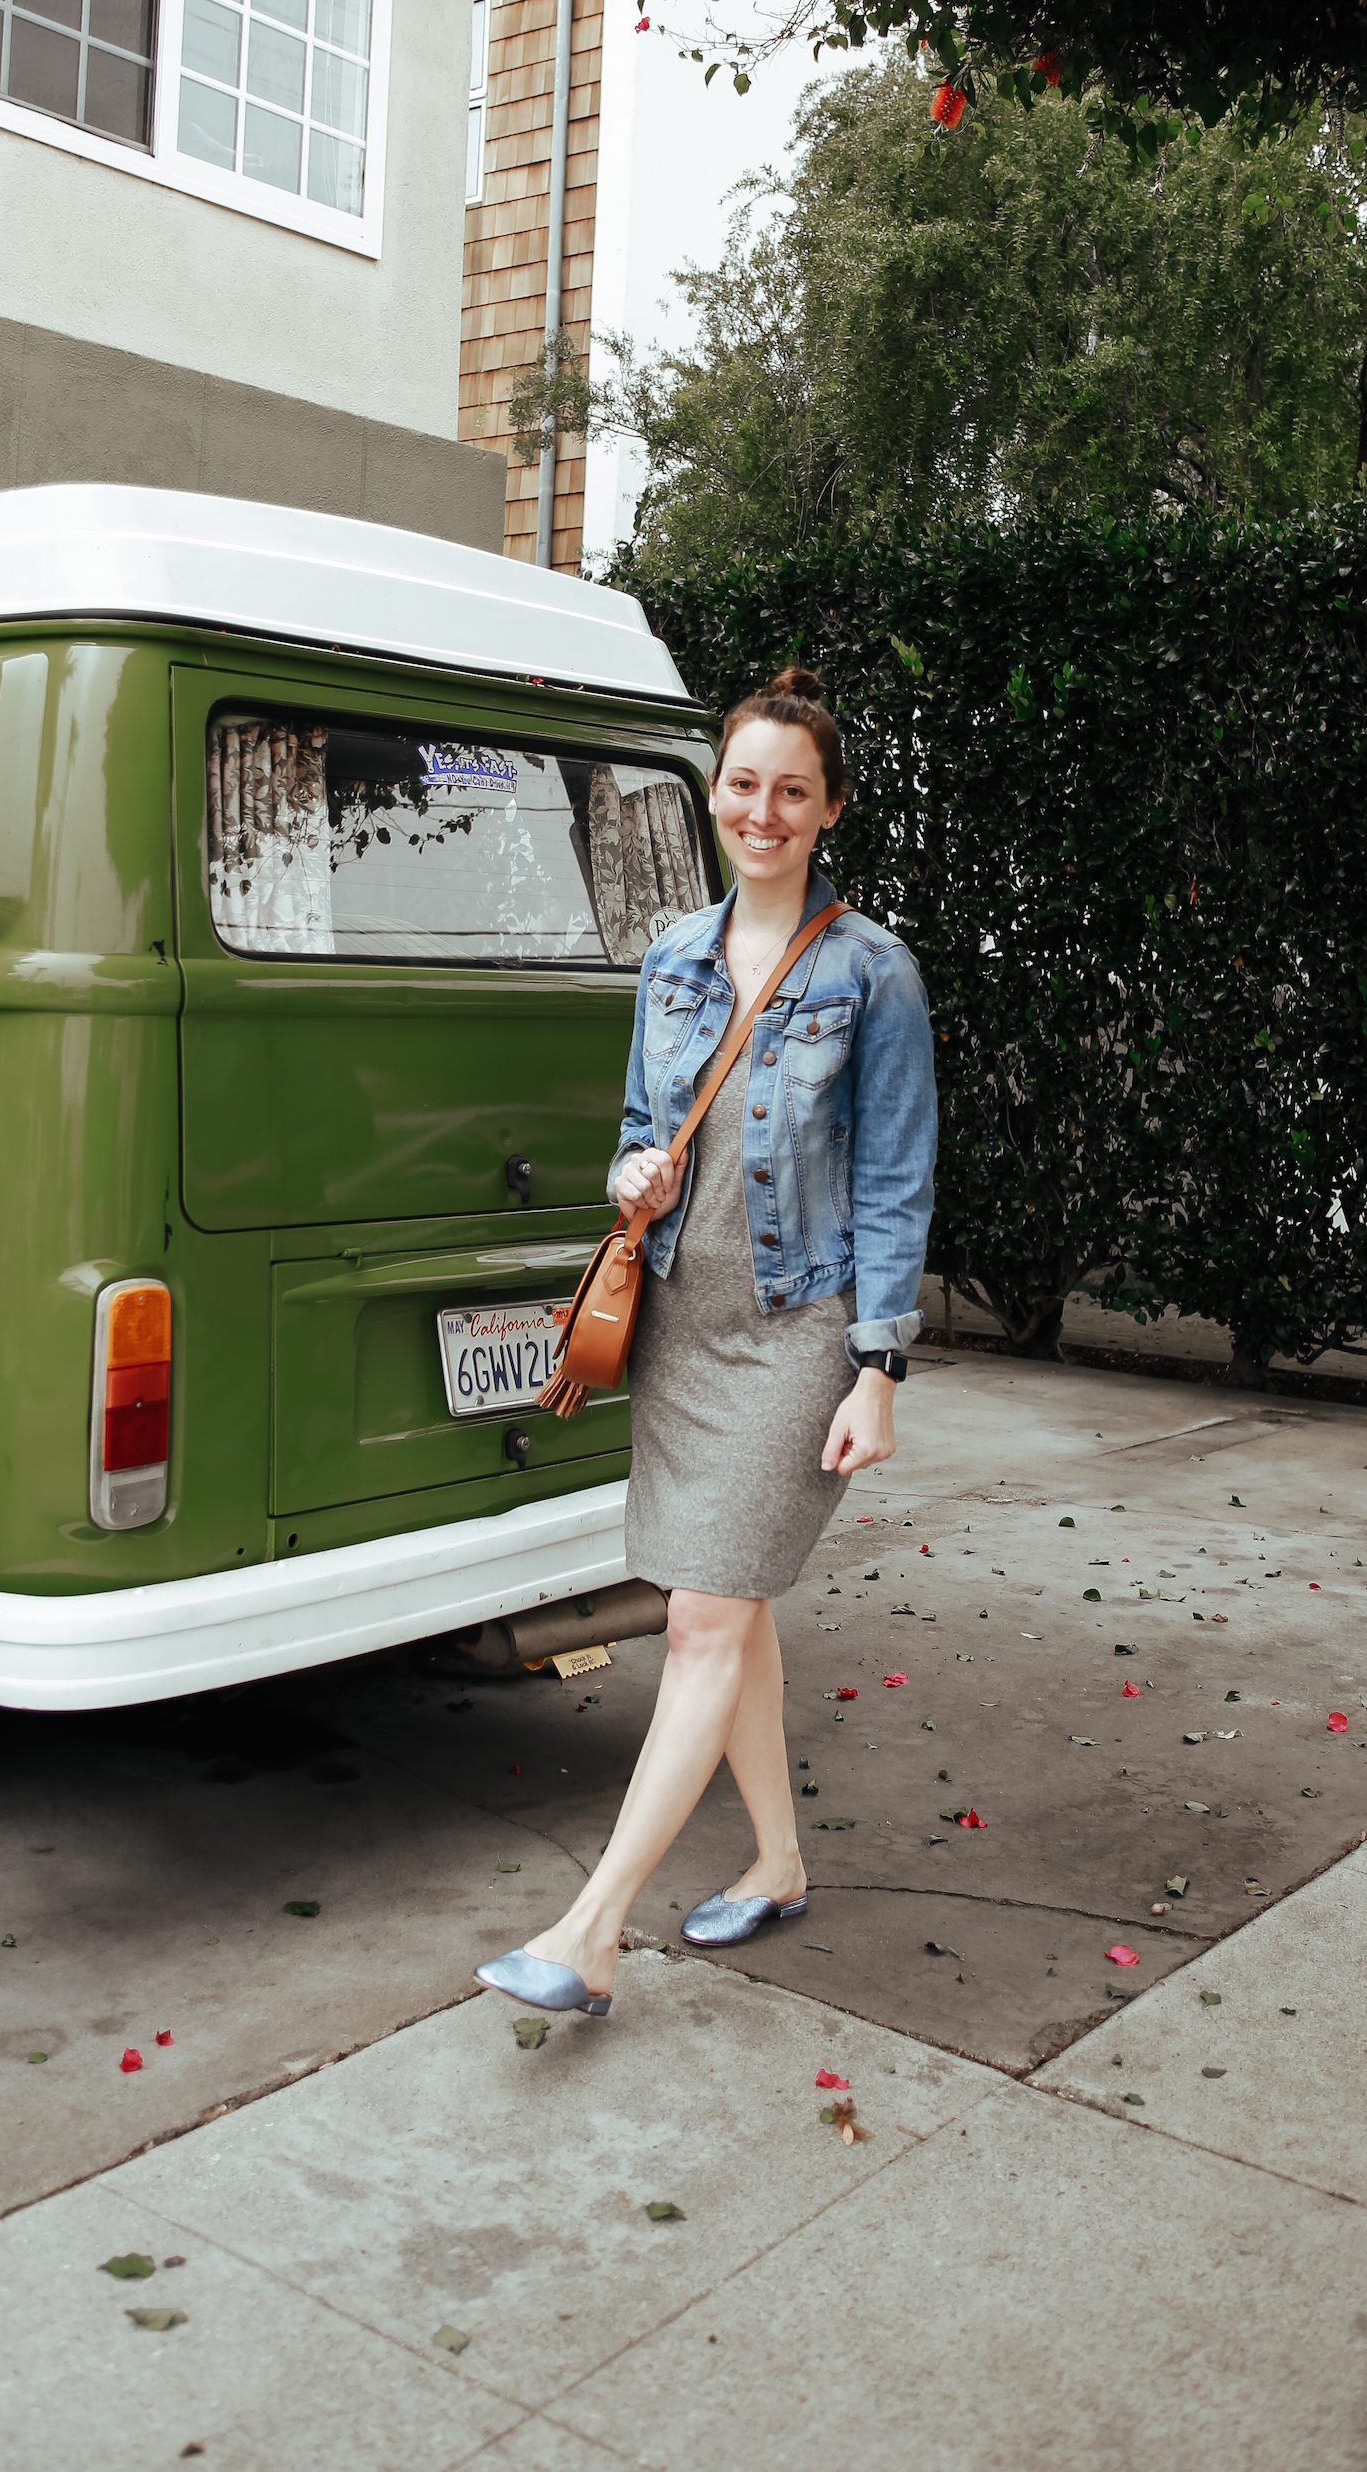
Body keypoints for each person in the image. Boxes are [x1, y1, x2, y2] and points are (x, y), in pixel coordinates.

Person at [475, 666, 939, 2016]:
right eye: (744, 783)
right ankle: (781, 1860)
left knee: (699, 1621)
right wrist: (633, 1177)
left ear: (830, 808)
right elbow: (640, 1129)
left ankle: (591, 1928)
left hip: (799, 1333)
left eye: (794, 789)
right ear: (716, 796)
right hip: (684, 1323)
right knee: (726, 1609)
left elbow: (899, 1181)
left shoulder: (874, 976)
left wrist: (880, 1367)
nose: (764, 809)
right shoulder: (674, 959)